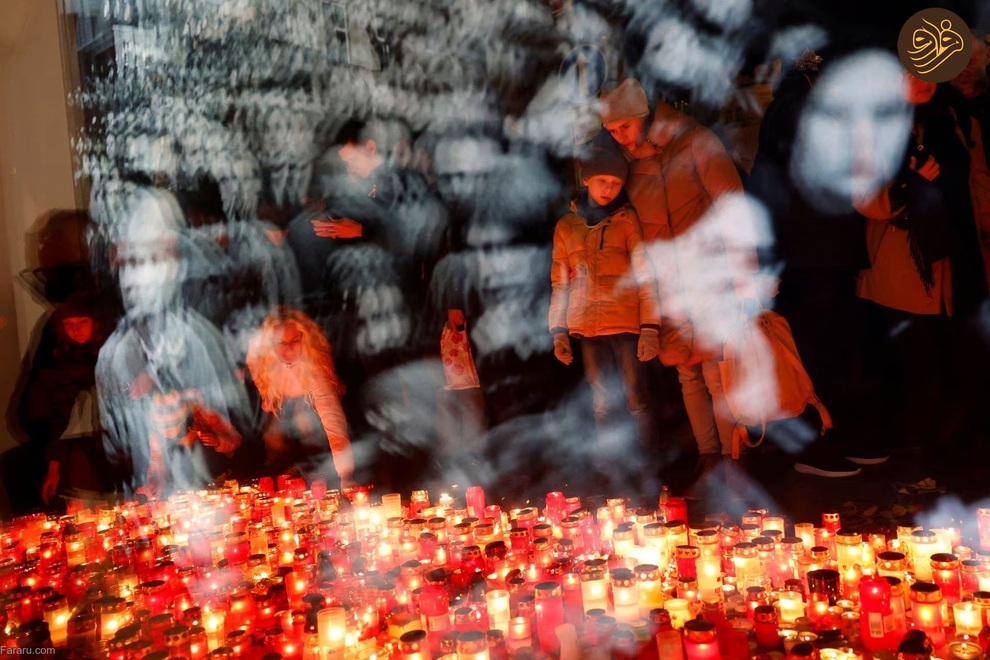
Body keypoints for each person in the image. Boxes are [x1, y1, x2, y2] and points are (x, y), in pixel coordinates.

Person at [599, 78, 759, 471]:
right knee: (688, 375)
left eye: (623, 127)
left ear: (643, 115)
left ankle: (730, 456)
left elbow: (732, 204)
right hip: (668, 284)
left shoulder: (695, 141)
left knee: (718, 369)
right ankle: (708, 456)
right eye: (611, 131)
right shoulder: (627, 163)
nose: (619, 137)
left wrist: (746, 272)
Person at [95, 185, 252, 498]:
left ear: (175, 266)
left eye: (153, 259)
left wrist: (195, 419)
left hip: (208, 510)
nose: (136, 278)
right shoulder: (113, 355)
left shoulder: (200, 342)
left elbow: (237, 445)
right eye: (129, 261)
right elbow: (117, 452)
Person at [549, 131, 662, 495]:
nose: (609, 189)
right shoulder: (567, 227)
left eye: (616, 182)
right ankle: (613, 471)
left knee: (636, 399)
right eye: (603, 181)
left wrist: (650, 327)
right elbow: (560, 283)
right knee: (602, 403)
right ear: (586, 179)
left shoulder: (627, 221)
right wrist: (559, 330)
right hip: (588, 329)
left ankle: (646, 470)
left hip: (627, 324)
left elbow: (645, 275)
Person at [245, 307, 355, 488]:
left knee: (307, 426)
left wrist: (346, 475)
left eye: (295, 341)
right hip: (278, 408)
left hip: (310, 413)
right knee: (273, 441)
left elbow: (333, 422)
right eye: (281, 342)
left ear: (304, 338)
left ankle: (318, 475)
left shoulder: (314, 371)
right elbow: (254, 366)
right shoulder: (261, 361)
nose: (288, 349)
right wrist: (267, 397)